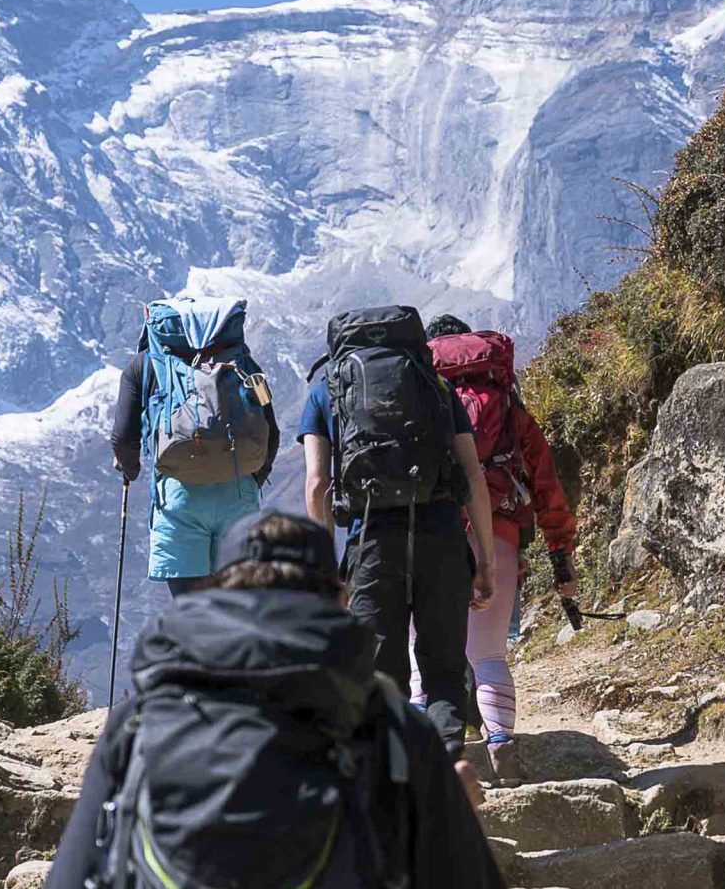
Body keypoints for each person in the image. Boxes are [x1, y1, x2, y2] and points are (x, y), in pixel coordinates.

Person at [44, 511, 506, 889]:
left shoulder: (137, 723)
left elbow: (70, 877)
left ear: (217, 595)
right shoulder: (393, 725)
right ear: (341, 598)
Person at [299, 305, 498, 793]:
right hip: (441, 537)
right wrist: (486, 559)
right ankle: (448, 768)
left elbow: (317, 483)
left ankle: (391, 782)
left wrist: (326, 570)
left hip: (370, 545)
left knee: (377, 671)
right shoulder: (433, 384)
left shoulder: (328, 389)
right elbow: (473, 474)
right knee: (444, 666)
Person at [421, 313, 578, 783]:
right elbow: (547, 485)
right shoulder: (508, 406)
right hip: (501, 532)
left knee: (418, 653)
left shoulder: (421, 399)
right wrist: (560, 555)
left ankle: (428, 763)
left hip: (432, 531)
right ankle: (503, 751)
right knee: (489, 653)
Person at [109, 297, 277, 597]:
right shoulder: (242, 363)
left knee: (191, 609)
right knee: (239, 606)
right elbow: (271, 430)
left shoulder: (144, 365)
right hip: (238, 493)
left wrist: (129, 469)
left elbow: (123, 438)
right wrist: (251, 478)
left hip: (178, 496)